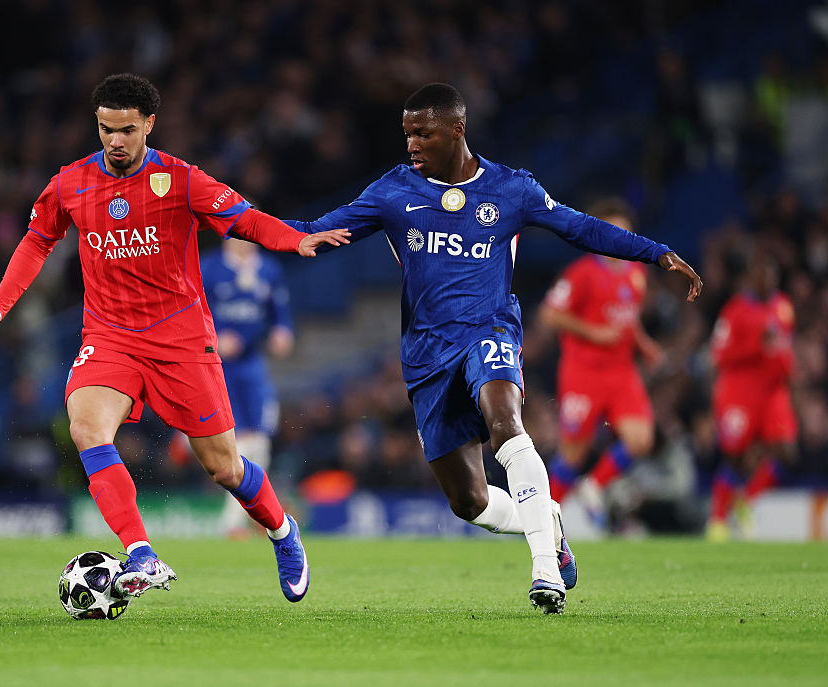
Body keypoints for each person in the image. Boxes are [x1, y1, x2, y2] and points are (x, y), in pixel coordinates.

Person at [286, 83, 702, 614]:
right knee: (469, 501)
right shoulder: (393, 192)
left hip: (490, 330)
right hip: (426, 354)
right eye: (407, 133)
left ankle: (545, 571)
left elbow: (579, 227)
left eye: (424, 133)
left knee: (507, 423)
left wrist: (657, 253)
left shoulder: (511, 189)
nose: (412, 143)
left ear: (457, 129)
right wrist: (245, 225)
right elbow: (317, 232)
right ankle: (547, 519)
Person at [0, 73, 350, 603]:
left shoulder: (182, 180)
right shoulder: (70, 184)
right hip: (110, 337)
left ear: (149, 123)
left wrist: (297, 239)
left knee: (224, 467)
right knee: (86, 428)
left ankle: (283, 532)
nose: (114, 141)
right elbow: (36, 241)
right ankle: (141, 553)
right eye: (104, 129)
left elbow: (244, 220)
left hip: (182, 341)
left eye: (125, 129)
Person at [538, 198, 664, 530]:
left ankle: (593, 485)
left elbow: (628, 318)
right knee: (572, 454)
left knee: (641, 439)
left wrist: (644, 344)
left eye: (627, 233)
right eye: (614, 232)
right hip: (584, 373)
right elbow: (550, 313)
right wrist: (592, 331)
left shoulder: (635, 272)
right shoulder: (581, 274)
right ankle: (541, 521)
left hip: (622, 372)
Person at [199, 237, 294, 537]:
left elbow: (280, 311)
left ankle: (239, 519)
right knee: (234, 437)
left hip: (253, 364)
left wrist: (283, 331)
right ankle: (240, 519)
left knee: (260, 436)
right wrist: (213, 339)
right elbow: (192, 309)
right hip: (217, 365)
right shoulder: (209, 268)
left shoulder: (269, 269)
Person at [706, 252, 796, 541]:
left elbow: (784, 348)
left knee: (787, 452)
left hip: (773, 394)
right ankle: (717, 520)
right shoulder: (735, 312)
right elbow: (717, 355)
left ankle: (745, 500)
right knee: (735, 458)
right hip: (740, 393)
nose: (767, 280)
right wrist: (757, 346)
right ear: (750, 278)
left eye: (772, 275)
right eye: (761, 275)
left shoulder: (784, 307)